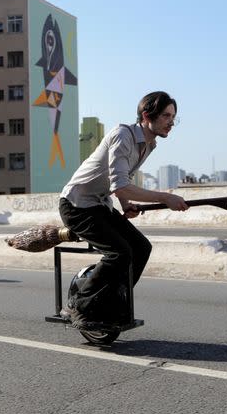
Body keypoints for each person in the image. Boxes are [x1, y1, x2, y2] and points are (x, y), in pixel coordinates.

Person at [59, 91, 188, 330]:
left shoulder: (149, 144)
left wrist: (126, 205)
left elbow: (119, 179)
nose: (171, 122)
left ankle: (112, 301)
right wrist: (164, 197)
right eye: (166, 116)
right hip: (77, 205)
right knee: (120, 253)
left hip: (98, 204)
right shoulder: (123, 135)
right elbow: (121, 185)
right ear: (147, 115)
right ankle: (77, 305)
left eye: (173, 117)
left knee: (141, 247)